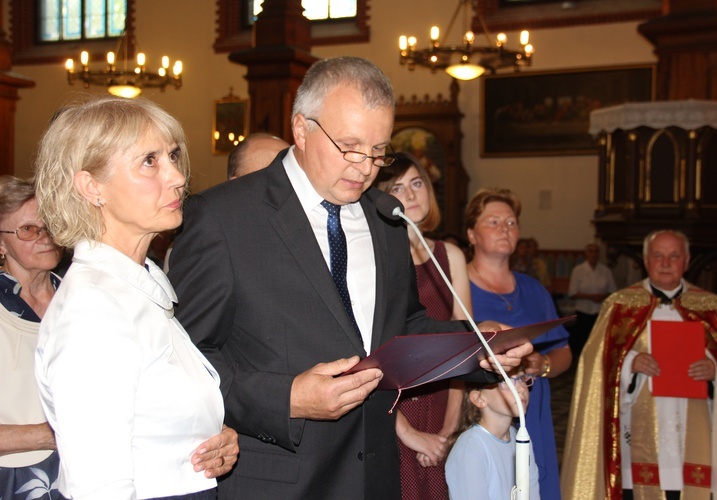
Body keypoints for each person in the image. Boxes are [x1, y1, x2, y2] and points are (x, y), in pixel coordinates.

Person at [167, 56, 531, 500]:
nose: (365, 167)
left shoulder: (385, 220)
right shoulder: (224, 218)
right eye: (350, 146)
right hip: (279, 478)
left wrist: (479, 345)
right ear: (302, 129)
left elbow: (405, 329)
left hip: (374, 474)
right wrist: (286, 399)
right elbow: (182, 359)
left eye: (379, 150)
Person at [33, 97, 239, 500]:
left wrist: (214, 438)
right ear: (92, 186)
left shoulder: (136, 288)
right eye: (150, 161)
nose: (177, 176)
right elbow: (98, 489)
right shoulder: (94, 310)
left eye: (173, 156)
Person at [561, 230, 717, 500]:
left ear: (686, 261)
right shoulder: (619, 305)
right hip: (639, 424)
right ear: (646, 260)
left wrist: (714, 370)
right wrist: (630, 363)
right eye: (658, 256)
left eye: (674, 256)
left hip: (695, 424)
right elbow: (595, 365)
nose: (665, 263)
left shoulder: (710, 307)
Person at [376, 152, 471, 499]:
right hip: (391, 405)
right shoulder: (374, 260)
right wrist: (406, 432)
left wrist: (449, 428)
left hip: (445, 399)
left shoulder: (452, 256)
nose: (411, 195)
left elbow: (466, 348)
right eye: (397, 188)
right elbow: (368, 353)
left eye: (417, 183)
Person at [466, 188, 571, 500]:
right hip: (480, 412)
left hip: (532, 407)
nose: (504, 229)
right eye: (493, 222)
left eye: (511, 223)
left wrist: (545, 364)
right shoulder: (458, 287)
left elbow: (563, 352)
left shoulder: (534, 289)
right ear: (471, 234)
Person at [0, 176, 63, 499]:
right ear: (1, 243)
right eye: (27, 229)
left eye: (49, 225)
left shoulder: (81, 297)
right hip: (16, 481)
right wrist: (46, 435)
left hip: (89, 474)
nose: (44, 237)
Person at [445, 375, 540, 500]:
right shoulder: (469, 449)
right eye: (507, 381)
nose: (521, 389)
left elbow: (532, 492)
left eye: (522, 379)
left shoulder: (520, 437)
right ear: (479, 399)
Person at [567, 242, 616, 356]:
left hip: (599, 311)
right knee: (582, 340)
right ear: (586, 254)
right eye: (591, 251)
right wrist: (590, 297)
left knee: (598, 340)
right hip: (583, 311)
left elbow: (613, 291)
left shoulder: (605, 271)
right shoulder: (578, 270)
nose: (593, 254)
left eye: (596, 251)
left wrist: (601, 296)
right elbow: (572, 292)